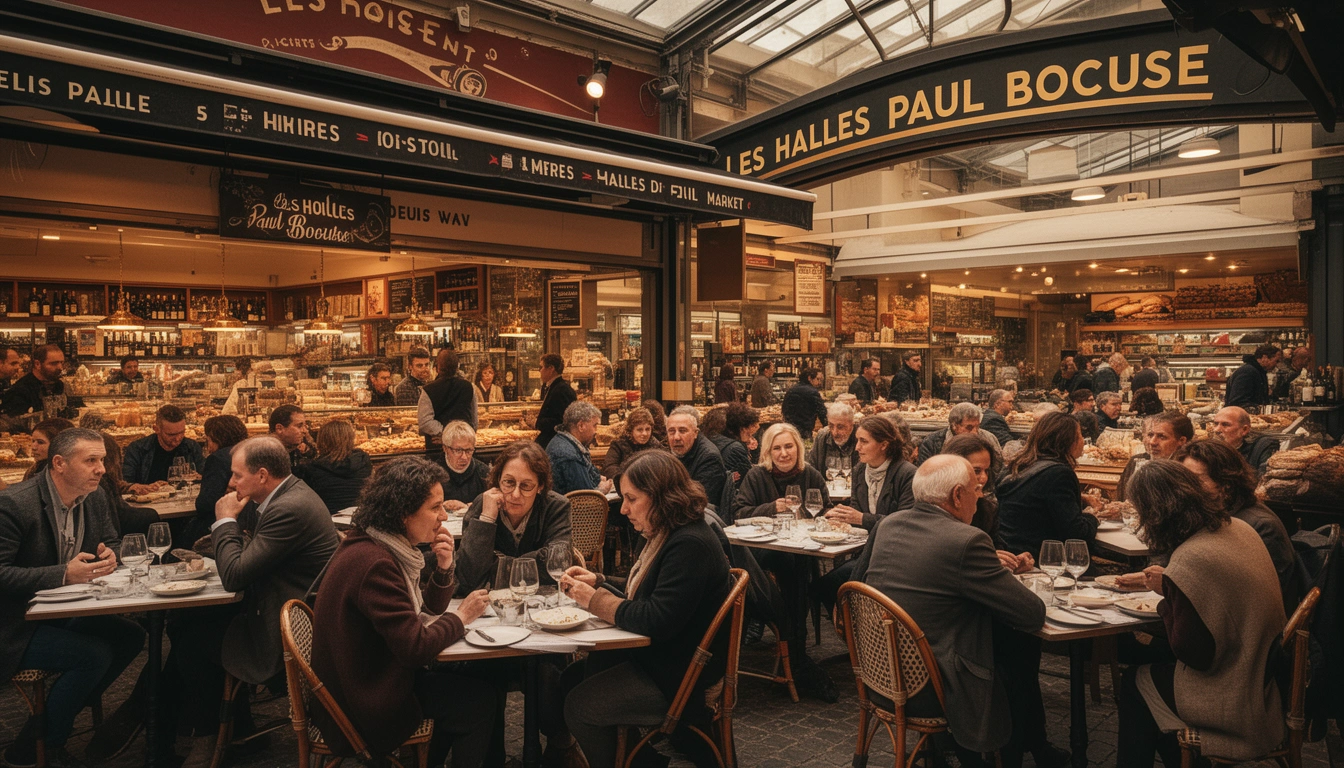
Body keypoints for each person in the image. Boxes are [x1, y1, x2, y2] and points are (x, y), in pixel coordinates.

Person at [862, 455, 1047, 768]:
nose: (980, 496)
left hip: (879, 672)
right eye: (976, 490)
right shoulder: (967, 539)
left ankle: (976, 752)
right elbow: (1031, 614)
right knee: (1021, 654)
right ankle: (1010, 753)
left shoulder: (888, 524)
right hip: (932, 685)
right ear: (957, 495)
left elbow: (859, 584)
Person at [311, 457, 497, 768]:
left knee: (469, 676)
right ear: (402, 515)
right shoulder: (375, 564)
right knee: (479, 701)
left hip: (365, 677)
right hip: (364, 700)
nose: (443, 516)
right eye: (435, 507)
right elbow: (415, 648)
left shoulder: (376, 544)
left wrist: (444, 567)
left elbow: (423, 613)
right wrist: (461, 617)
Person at [173, 436, 339, 766]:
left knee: (188, 640)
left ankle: (208, 736)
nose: (231, 482)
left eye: (236, 475)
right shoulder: (289, 495)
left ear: (262, 475)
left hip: (290, 634)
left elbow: (234, 574)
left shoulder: (289, 508)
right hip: (286, 610)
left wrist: (224, 519)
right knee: (186, 624)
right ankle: (230, 727)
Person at [560, 451, 732, 768]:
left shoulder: (690, 543)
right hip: (661, 659)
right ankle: (639, 758)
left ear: (661, 498)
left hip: (680, 676)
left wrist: (593, 599)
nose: (623, 508)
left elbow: (655, 619)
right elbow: (641, 593)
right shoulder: (665, 531)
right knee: (570, 677)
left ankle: (635, 762)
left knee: (580, 705)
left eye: (631, 498)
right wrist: (597, 580)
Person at [1115, 460, 1286, 768]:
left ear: (1154, 513)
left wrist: (1169, 598)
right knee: (1152, 670)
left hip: (1234, 693)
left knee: (1135, 682)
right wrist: (1172, 587)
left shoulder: (1191, 557)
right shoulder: (1237, 527)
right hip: (1261, 675)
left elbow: (1194, 654)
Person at [0, 429, 147, 768]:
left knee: (130, 636)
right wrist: (63, 574)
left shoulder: (93, 498)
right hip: (13, 622)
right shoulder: (15, 504)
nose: (102, 469)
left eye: (103, 460)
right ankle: (42, 746)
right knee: (92, 655)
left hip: (63, 609)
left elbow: (110, 542)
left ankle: (52, 718)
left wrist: (110, 557)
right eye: (91, 460)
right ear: (59, 464)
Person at [1172, 440, 1300, 612]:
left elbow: (1262, 598)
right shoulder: (1207, 514)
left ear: (1227, 484)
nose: (1186, 488)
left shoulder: (1261, 526)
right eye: (1183, 479)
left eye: (1196, 480)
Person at [818, 416, 918, 606]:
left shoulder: (907, 474)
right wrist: (840, 518)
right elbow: (856, 510)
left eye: (864, 441)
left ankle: (857, 627)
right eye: (857, 440)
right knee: (820, 586)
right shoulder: (859, 471)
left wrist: (861, 518)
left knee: (829, 585)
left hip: (894, 557)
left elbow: (905, 523)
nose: (857, 447)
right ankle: (852, 626)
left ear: (884, 445)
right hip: (866, 551)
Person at [455, 441, 572, 591]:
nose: (515, 495)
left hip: (542, 604)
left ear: (540, 486)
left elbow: (557, 565)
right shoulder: (482, 505)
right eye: (509, 482)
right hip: (491, 605)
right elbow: (467, 577)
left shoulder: (556, 507)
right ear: (498, 480)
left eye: (526, 485)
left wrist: (497, 566)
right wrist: (487, 520)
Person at [997, 411, 1099, 560]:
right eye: (1080, 435)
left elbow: (1033, 501)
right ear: (1068, 441)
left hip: (1010, 551)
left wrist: (1081, 499)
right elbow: (1077, 535)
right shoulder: (1059, 474)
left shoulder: (1018, 465)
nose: (1083, 441)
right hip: (1041, 559)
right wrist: (1093, 516)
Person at [941, 433, 1035, 575]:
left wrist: (1013, 562)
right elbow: (940, 558)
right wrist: (984, 560)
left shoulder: (986, 509)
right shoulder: (936, 507)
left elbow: (997, 549)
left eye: (987, 470)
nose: (983, 478)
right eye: (976, 471)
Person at [732, 423, 830, 522]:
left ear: (798, 448)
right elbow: (738, 513)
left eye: (788, 446)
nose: (784, 454)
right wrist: (772, 508)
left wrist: (831, 514)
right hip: (767, 536)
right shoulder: (756, 476)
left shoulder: (812, 475)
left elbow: (826, 510)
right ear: (768, 452)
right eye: (776, 448)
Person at [188, 414, 248, 545]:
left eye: (208, 440)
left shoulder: (217, 459)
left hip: (222, 528)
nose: (208, 446)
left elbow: (205, 504)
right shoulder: (250, 452)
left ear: (216, 439)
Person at [295, 420, 373, 514]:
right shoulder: (363, 462)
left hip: (327, 521)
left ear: (322, 440)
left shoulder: (312, 469)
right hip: (359, 517)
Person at [122, 404, 205, 491]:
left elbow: (204, 476)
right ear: (156, 429)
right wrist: (142, 487)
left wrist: (200, 478)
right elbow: (126, 483)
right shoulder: (138, 449)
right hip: (148, 500)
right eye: (171, 434)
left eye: (182, 432)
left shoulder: (191, 447)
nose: (178, 438)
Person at [915, 402, 1004, 484]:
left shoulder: (989, 439)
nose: (975, 432)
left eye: (977, 427)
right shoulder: (932, 442)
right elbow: (925, 477)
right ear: (954, 426)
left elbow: (998, 471)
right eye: (969, 427)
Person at [1116, 411, 1194, 501]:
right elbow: (1122, 499)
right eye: (1150, 435)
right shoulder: (1137, 462)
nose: (1152, 442)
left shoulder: (1189, 468)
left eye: (1162, 437)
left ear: (1182, 440)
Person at [546, 401, 614, 496]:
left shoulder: (566, 442)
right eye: (594, 425)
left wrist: (598, 479)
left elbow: (592, 475)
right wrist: (602, 490)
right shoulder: (569, 455)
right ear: (581, 426)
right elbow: (585, 498)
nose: (596, 431)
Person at [0, 344, 83, 421]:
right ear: (37, 364)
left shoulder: (59, 385)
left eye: (61, 362)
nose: (60, 368)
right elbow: (14, 425)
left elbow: (71, 410)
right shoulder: (19, 391)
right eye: (54, 363)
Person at [664, 406, 725, 505]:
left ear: (695, 433)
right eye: (671, 431)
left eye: (682, 431)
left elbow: (701, 501)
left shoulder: (709, 458)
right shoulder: (670, 452)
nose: (676, 437)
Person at [420, 349, 479, 447]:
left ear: (437, 367)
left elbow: (425, 422)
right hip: (464, 445)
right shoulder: (469, 387)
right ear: (457, 367)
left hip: (437, 448)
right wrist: (458, 435)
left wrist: (446, 435)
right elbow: (474, 421)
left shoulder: (428, 390)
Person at [1209, 406, 1278, 476]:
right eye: (1216, 424)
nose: (1216, 430)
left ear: (1244, 430)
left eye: (1225, 425)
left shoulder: (1260, 447)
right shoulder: (1209, 450)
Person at [437, 420, 489, 511]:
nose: (464, 457)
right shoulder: (433, 474)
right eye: (458, 451)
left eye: (469, 451)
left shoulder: (484, 473)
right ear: (445, 448)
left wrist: (469, 507)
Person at [600, 407, 662, 480]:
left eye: (648, 429)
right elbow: (609, 467)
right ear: (631, 430)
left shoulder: (655, 445)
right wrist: (626, 479)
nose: (644, 433)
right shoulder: (619, 444)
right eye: (639, 430)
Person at [705, 402, 757, 489]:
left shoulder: (711, 440)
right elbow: (747, 482)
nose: (749, 437)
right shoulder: (735, 448)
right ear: (742, 428)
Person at [533, 354, 575, 449]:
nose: (540, 370)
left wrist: (537, 422)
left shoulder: (561, 390)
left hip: (555, 444)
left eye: (541, 367)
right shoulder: (554, 387)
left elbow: (562, 422)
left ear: (551, 368)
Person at [1225, 343, 1282, 409]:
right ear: (1264, 358)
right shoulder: (1248, 372)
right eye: (1276, 361)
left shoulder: (1258, 372)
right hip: (1241, 417)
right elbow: (1238, 402)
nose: (1276, 364)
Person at [808, 401, 859, 473]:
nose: (835, 432)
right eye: (831, 426)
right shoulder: (822, 437)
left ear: (851, 425)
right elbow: (812, 470)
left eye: (840, 427)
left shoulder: (860, 439)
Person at [781, 367, 828, 438]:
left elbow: (784, 409)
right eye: (817, 379)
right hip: (805, 429)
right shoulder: (813, 392)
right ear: (809, 378)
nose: (819, 383)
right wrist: (828, 428)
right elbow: (822, 412)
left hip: (790, 429)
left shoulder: (791, 390)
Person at [268, 403, 314, 471]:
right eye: (299, 426)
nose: (305, 431)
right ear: (279, 429)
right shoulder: (266, 458)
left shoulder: (299, 449)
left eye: (305, 426)